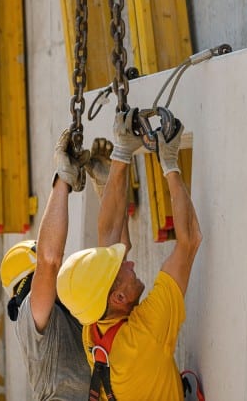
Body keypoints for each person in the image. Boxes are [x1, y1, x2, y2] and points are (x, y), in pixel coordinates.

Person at [56, 109, 203, 400]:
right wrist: (170, 164)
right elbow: (189, 240)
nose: (131, 262)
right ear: (119, 298)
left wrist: (122, 154)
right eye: (122, 269)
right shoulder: (143, 335)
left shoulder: (94, 324)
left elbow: (110, 234)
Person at [0, 130, 117, 400]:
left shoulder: (73, 311)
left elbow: (114, 261)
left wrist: (107, 188)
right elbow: (49, 261)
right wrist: (62, 180)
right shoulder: (34, 317)